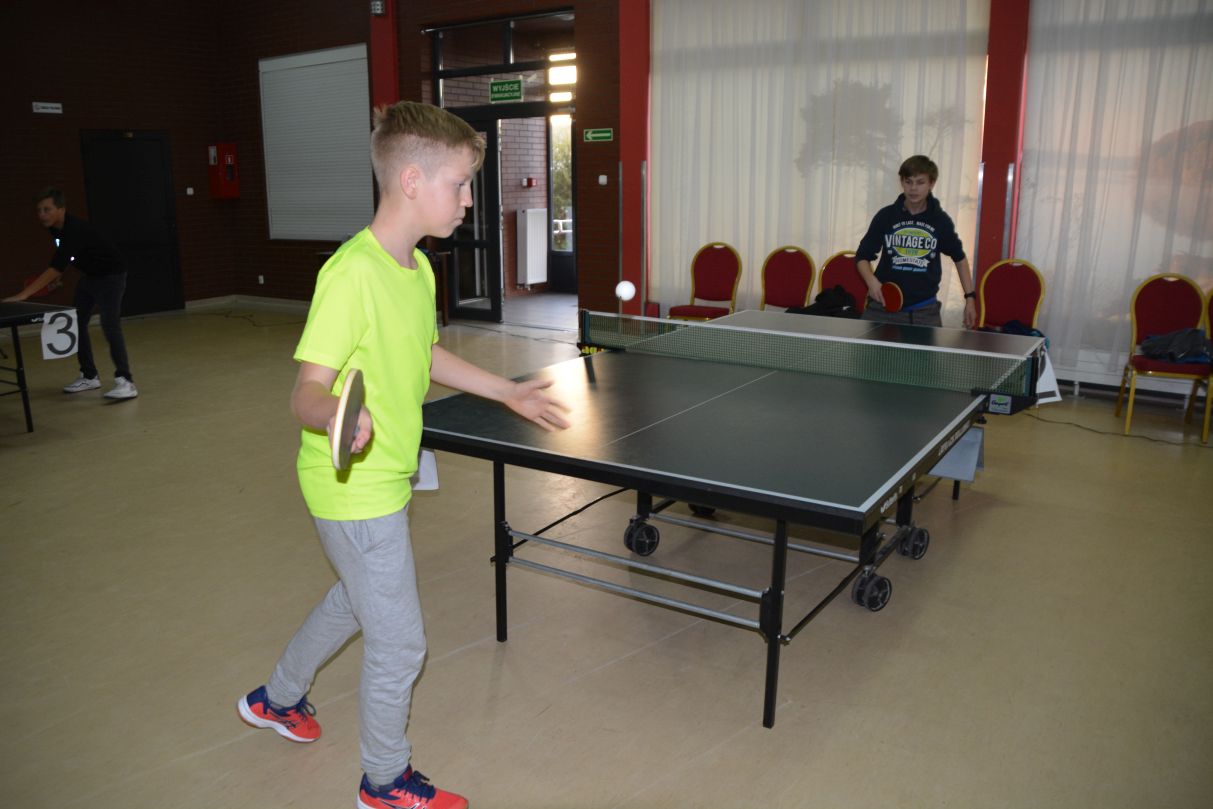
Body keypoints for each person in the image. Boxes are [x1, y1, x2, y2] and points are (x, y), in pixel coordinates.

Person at [235, 101, 570, 809]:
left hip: (387, 474)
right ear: (412, 181)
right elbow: (305, 392)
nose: (469, 200)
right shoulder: (350, 273)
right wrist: (336, 413)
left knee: (356, 599)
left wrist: (507, 391)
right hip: (349, 484)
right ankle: (383, 782)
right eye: (461, 184)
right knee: (401, 643)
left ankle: (277, 697)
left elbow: (424, 354)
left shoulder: (415, 267)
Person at [3, 188, 138, 399]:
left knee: (110, 325)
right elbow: (68, 255)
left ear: (61, 209)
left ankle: (126, 381)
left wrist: (24, 294)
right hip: (90, 276)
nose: (42, 215)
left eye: (47, 209)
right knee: (76, 322)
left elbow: (56, 266)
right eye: (39, 210)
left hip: (111, 276)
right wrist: (62, 273)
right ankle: (89, 376)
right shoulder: (54, 229)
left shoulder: (74, 229)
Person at [855, 155, 976, 328]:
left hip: (924, 313)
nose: (913, 188)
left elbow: (959, 258)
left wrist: (970, 298)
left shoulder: (940, 221)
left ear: (931, 184)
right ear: (902, 182)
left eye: (920, 182)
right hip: (882, 307)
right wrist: (871, 281)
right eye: (908, 182)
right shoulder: (886, 216)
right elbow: (862, 256)